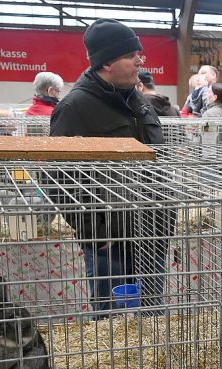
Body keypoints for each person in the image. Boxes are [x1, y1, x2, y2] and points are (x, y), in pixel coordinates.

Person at [49, 18, 169, 315]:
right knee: (113, 326)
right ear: (106, 63)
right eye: (130, 55)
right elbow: (58, 179)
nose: (139, 61)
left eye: (139, 54)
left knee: (153, 320)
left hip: (151, 234)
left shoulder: (139, 101)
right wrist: (96, 232)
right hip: (111, 245)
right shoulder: (74, 108)